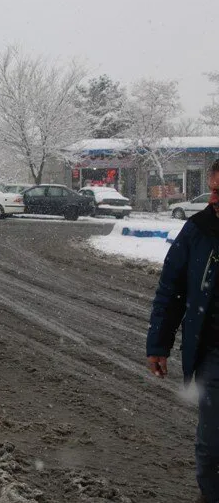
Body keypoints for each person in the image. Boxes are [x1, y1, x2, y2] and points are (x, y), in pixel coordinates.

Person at [148, 159, 219, 502]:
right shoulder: (198, 230)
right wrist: (159, 343)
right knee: (212, 446)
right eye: (213, 190)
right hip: (213, 353)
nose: (214, 199)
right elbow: (171, 289)